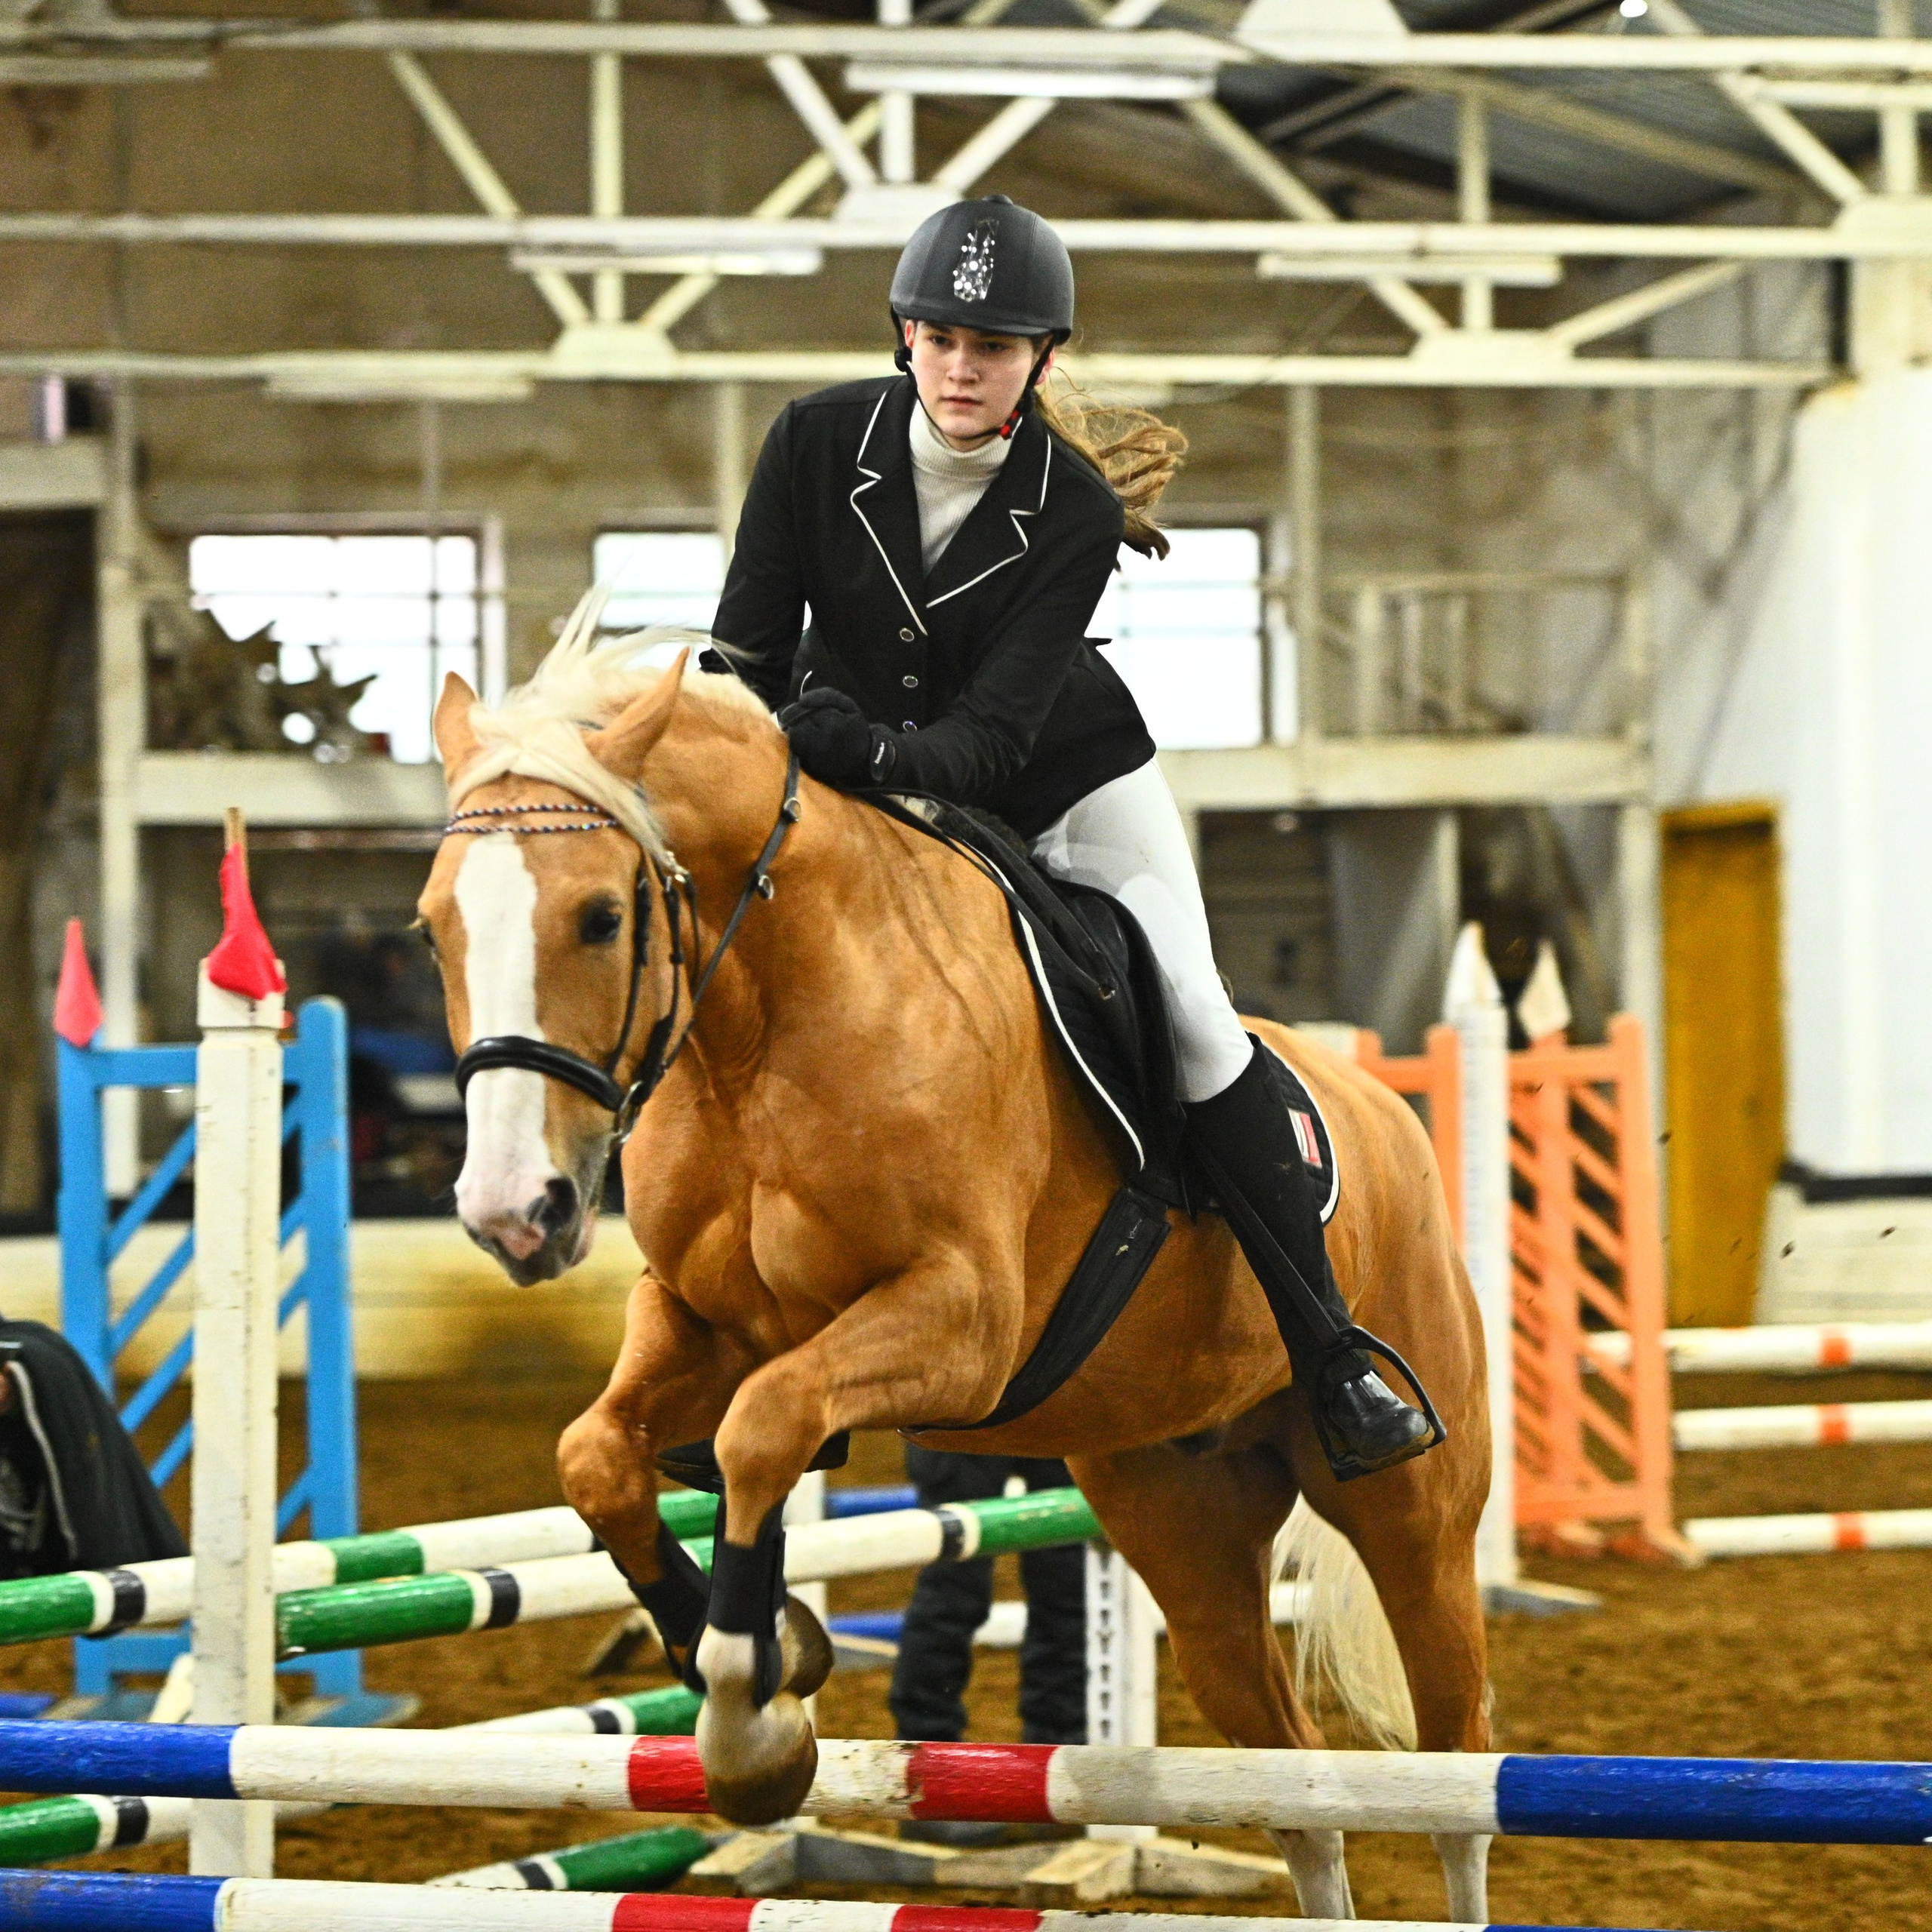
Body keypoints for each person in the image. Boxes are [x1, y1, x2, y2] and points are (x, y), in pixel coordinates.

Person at [708, 194, 1434, 1482]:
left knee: (1200, 1019)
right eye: (939, 337)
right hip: (846, 775)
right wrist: (751, 750)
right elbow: (746, 655)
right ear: (905, 338)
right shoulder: (817, 443)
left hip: (1061, 783)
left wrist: (845, 746)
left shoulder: (1072, 508)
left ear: (1043, 359)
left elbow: (986, 747)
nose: (962, 366)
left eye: (994, 346)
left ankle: (1330, 1348)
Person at [890, 1447, 1084, 1845]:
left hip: (1053, 1395)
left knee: (1069, 1586)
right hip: (965, 1402)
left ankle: (1059, 1766)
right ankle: (930, 1777)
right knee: (955, 1586)